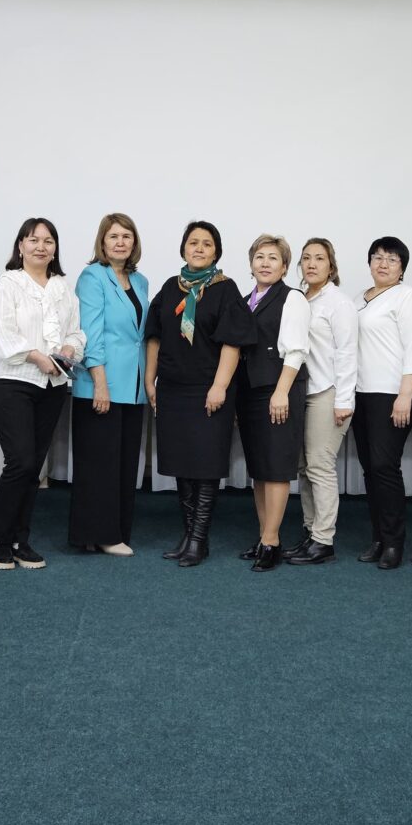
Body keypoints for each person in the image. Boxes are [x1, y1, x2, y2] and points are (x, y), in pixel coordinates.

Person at [145, 220, 256, 568]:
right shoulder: (170, 287)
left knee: (205, 464)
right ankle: (189, 534)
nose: (199, 248)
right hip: (173, 389)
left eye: (207, 244)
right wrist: (150, 380)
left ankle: (199, 538)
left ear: (216, 252)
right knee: (181, 463)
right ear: (183, 249)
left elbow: (232, 343)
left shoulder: (226, 289)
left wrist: (220, 386)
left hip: (209, 390)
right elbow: (154, 336)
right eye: (193, 242)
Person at [0, 217, 84, 570]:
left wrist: (70, 349)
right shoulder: (7, 284)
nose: (41, 246)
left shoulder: (62, 287)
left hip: (52, 386)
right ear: (21, 246)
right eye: (33, 240)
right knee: (21, 461)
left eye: (48, 241)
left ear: (55, 248)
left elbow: (75, 332)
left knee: (34, 466)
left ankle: (19, 539)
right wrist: (36, 356)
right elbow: (0, 335)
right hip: (12, 381)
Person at [70, 213, 149, 556]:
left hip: (133, 387)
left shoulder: (140, 281)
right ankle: (100, 534)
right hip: (99, 385)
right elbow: (91, 333)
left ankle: (115, 531)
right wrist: (100, 383)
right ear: (102, 241)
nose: (120, 242)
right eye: (114, 236)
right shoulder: (92, 277)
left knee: (124, 464)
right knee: (99, 465)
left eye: (126, 236)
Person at [234, 235, 310, 571]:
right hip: (250, 391)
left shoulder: (293, 298)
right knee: (260, 468)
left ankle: (271, 541)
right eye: (260, 257)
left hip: (279, 389)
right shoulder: (244, 300)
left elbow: (296, 350)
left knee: (276, 466)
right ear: (251, 264)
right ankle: (265, 535)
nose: (265, 263)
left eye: (273, 258)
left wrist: (281, 392)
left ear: (284, 266)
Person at [352, 236, 412, 570]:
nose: (383, 264)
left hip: (392, 394)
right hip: (360, 393)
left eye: (392, 259)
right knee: (370, 468)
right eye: (377, 257)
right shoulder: (359, 298)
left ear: (402, 268)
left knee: (385, 466)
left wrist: (405, 395)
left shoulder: (407, 297)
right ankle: (379, 538)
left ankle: (395, 542)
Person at [287, 238, 356, 566]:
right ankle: (311, 531)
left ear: (331, 266)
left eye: (319, 258)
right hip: (304, 391)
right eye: (306, 258)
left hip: (328, 393)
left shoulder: (338, 303)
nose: (312, 264)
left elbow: (347, 352)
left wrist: (343, 400)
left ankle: (324, 540)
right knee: (305, 467)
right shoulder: (300, 299)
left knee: (319, 465)